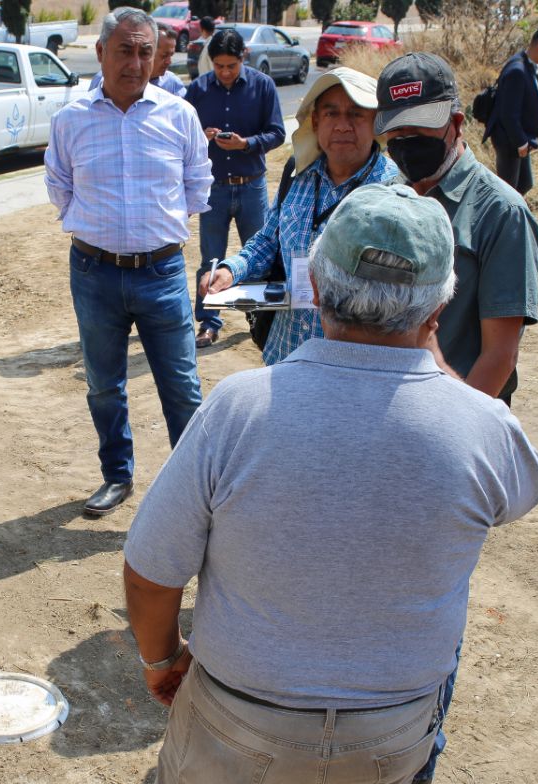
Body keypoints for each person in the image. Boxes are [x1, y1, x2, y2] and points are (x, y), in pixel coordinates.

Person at [123, 183, 538, 784]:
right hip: (388, 728)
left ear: (314, 287)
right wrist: (428, 352)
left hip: (240, 712)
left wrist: (161, 658)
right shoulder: (482, 427)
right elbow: (522, 488)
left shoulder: (238, 408)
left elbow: (151, 571)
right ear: (440, 305)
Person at [375, 51, 538, 784]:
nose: (404, 147)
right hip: (375, 433)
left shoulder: (501, 215)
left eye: (417, 132)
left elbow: (498, 358)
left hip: (449, 445)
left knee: (432, 615)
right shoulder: (387, 197)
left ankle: (416, 765)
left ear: (456, 122)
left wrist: (443, 440)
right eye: (393, 134)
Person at [44, 8, 211, 517]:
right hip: (94, 274)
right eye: (125, 50)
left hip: (162, 274)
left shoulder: (178, 114)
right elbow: (59, 185)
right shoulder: (71, 119)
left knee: (182, 388)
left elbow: (197, 181)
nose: (136, 62)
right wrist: (101, 230)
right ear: (100, 54)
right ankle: (117, 476)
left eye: (145, 51)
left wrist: (151, 232)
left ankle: (191, 490)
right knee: (103, 385)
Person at [202, 67, 400, 365]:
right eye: (331, 114)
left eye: (356, 114)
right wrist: (232, 270)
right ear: (315, 120)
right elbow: (269, 240)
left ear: (376, 123)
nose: (343, 126)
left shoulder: (394, 189)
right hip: (285, 353)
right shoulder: (297, 173)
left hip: (355, 364)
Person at [185, 27, 284, 348]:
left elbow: (277, 133)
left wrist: (246, 144)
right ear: (211, 62)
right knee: (210, 260)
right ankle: (209, 323)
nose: (225, 73)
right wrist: (204, 135)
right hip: (213, 189)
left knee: (261, 258)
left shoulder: (263, 86)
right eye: (219, 66)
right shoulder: (198, 90)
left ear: (243, 57)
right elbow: (182, 136)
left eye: (231, 65)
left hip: (252, 186)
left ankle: (260, 321)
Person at [483, 25, 538, 195]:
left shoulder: (528, 65)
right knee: (508, 191)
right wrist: (521, 142)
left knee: (524, 183)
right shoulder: (517, 71)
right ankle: (502, 220)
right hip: (509, 140)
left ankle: (514, 218)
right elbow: (508, 114)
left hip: (518, 139)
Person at [89, 26, 186, 95]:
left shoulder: (172, 84)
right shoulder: (103, 79)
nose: (169, 62)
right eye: (164, 56)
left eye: (171, 55)